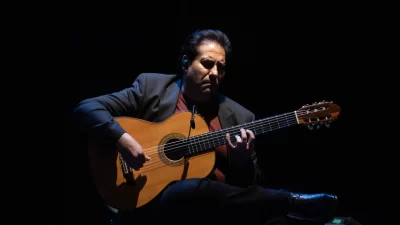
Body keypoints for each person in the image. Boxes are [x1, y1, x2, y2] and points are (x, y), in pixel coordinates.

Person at [73, 29, 338, 225]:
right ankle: (289, 202)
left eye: (221, 68)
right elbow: (87, 108)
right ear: (186, 63)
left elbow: (248, 185)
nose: (214, 73)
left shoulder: (240, 116)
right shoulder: (151, 87)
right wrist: (123, 139)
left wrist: (241, 160)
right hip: (148, 205)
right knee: (187, 188)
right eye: (207, 64)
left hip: (216, 213)